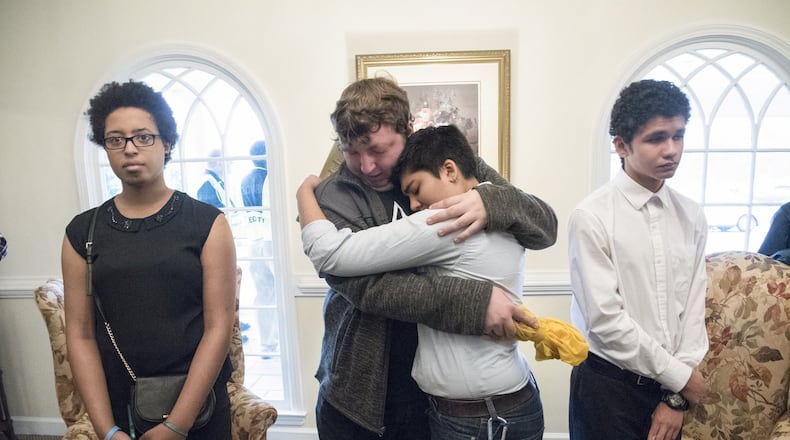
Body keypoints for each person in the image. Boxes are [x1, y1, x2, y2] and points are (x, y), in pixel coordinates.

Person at [311, 77, 557, 439]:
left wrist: (492, 200)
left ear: (407, 130)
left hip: (433, 396)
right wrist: (472, 301)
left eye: (377, 149)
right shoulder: (334, 193)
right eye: (351, 151)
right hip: (357, 391)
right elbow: (359, 284)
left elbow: (544, 226)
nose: (365, 166)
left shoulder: (442, 164)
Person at [62, 80, 237, 440]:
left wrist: (177, 424)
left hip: (198, 409)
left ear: (166, 143)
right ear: (105, 146)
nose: (129, 149)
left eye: (143, 136)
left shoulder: (207, 223)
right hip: (119, 409)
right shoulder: (82, 233)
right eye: (116, 139)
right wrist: (107, 430)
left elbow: (219, 328)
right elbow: (79, 335)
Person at [567, 79, 710, 440]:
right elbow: (605, 322)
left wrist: (675, 396)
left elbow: (693, 312)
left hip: (669, 391)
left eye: (678, 136)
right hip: (607, 388)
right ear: (620, 145)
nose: (672, 150)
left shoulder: (691, 215)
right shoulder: (592, 217)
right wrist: (680, 379)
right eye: (656, 138)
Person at [240, 140, 278, 355]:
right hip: (271, 240)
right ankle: (277, 338)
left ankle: (267, 344)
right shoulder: (270, 178)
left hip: (252, 240)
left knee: (263, 294)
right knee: (277, 292)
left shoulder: (244, 180)